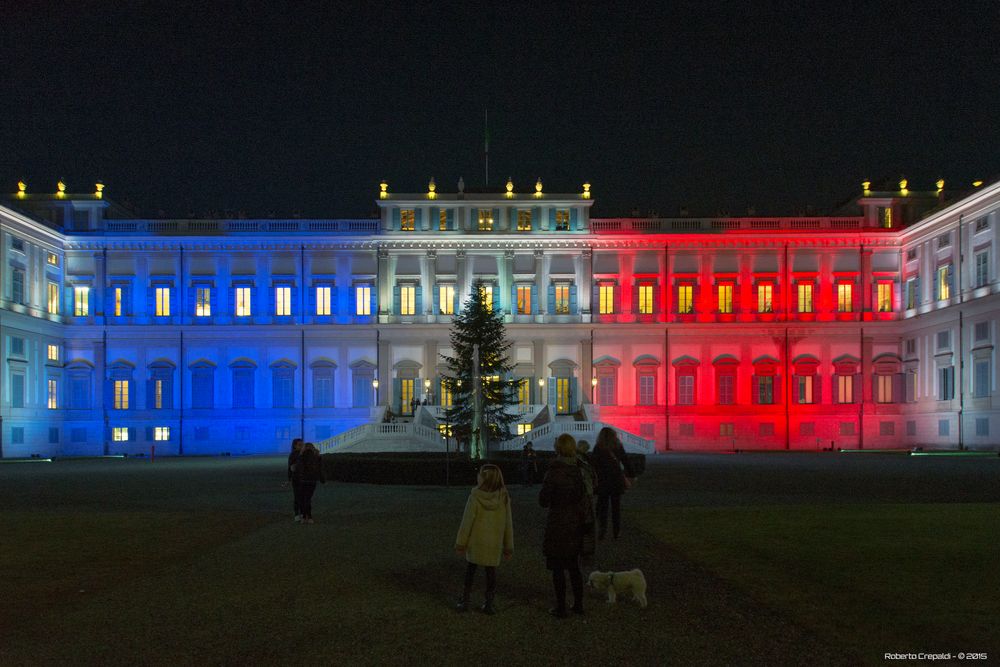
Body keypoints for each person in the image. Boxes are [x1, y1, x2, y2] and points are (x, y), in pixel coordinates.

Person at [539, 433, 588, 618]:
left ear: (557, 449)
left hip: (558, 523)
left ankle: (561, 607)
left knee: (558, 567)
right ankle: (578, 605)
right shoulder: (580, 470)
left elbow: (543, 500)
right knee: (574, 567)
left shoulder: (554, 471)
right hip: (576, 522)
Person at [454, 464, 514, 615]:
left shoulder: (475, 497)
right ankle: (489, 604)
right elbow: (508, 523)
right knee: (491, 573)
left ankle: (465, 600)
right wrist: (508, 547)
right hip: (494, 543)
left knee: (470, 571)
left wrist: (461, 543)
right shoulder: (504, 497)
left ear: (483, 479)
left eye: (479, 475)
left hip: (476, 541)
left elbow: (466, 522)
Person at [593, 427, 635, 540]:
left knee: (603, 507)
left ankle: (602, 530)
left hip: (603, 481)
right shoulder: (617, 447)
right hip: (616, 481)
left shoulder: (598, 448)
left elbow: (594, 465)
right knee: (616, 508)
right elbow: (625, 461)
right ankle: (616, 531)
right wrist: (632, 474)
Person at [294, 442, 325, 524]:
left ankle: (304, 517)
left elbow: (297, 468)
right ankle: (309, 517)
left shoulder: (301, 456)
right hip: (312, 480)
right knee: (308, 498)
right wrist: (322, 479)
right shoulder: (316, 457)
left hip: (303, 480)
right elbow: (320, 469)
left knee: (302, 499)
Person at [286, 438, 304, 522]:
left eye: (302, 444)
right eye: (300, 445)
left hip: (304, 478)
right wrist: (289, 478)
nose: (301, 446)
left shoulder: (304, 454)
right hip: (296, 478)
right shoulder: (293, 454)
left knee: (304, 496)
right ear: (295, 445)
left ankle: (303, 513)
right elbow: (290, 467)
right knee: (297, 496)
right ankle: (297, 514)